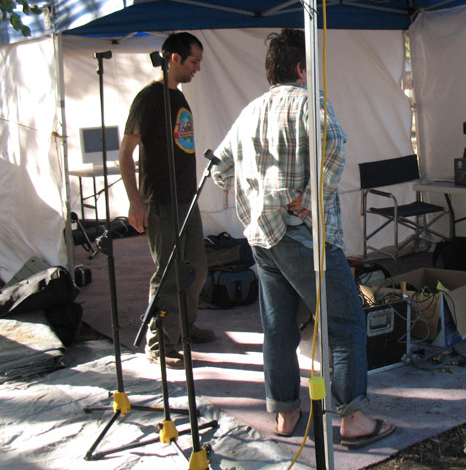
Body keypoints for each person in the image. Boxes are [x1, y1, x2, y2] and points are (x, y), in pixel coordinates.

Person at [211, 28, 395, 448]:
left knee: (278, 328)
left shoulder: (249, 112)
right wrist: (310, 197)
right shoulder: (309, 102)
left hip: (262, 239)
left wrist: (253, 200)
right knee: (346, 323)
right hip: (305, 239)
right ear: (299, 67)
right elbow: (334, 144)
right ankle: (353, 421)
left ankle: (284, 412)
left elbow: (220, 167)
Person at [119, 32, 216, 369]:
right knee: (169, 272)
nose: (197, 69)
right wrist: (135, 202)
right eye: (193, 62)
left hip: (187, 198)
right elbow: (125, 152)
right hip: (160, 201)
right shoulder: (148, 99)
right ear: (173, 58)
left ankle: (184, 328)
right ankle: (159, 342)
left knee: (197, 269)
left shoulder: (180, 99)